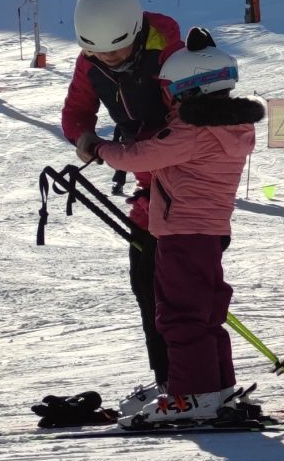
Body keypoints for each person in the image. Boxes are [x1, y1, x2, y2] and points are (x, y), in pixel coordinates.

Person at [81, 31, 267, 428]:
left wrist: (97, 147)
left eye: (172, 91)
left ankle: (190, 395)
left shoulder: (192, 131)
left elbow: (139, 156)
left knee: (179, 314)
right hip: (209, 233)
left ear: (189, 88)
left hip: (182, 233)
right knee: (206, 313)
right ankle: (216, 389)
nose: (170, 99)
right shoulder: (231, 127)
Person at [61, 0, 186, 414]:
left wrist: (130, 154)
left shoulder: (169, 53)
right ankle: (167, 380)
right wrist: (83, 137)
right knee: (145, 286)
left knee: (179, 294)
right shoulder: (91, 60)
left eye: (117, 49)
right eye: (98, 52)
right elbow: (76, 110)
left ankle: (191, 382)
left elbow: (183, 128)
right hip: (146, 189)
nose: (109, 58)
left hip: (183, 187)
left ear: (135, 30)